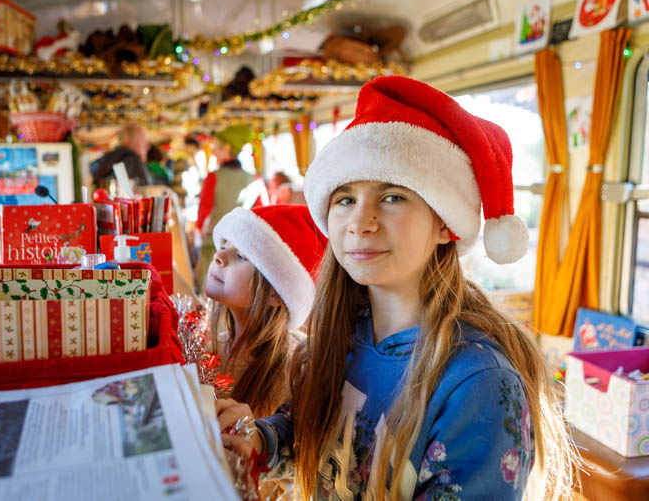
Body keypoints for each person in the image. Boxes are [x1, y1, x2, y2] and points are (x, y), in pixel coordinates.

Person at [216, 76, 575, 500]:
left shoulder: (477, 385)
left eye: (392, 197)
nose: (360, 222)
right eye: (345, 199)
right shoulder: (339, 339)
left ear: (445, 224)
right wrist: (256, 440)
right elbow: (307, 431)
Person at [205, 204, 327, 417]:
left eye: (241, 256)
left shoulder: (290, 378)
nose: (219, 256)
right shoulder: (204, 345)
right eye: (224, 245)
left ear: (275, 294)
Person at [195, 124, 268, 290]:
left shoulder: (213, 178)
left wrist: (199, 231)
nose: (212, 152)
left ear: (227, 148)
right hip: (243, 250)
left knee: (210, 293)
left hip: (215, 248)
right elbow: (264, 214)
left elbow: (203, 214)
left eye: (215, 147)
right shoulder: (255, 180)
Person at [89, 122, 151, 188]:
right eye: (143, 140)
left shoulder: (112, 157)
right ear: (127, 139)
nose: (148, 146)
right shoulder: (131, 159)